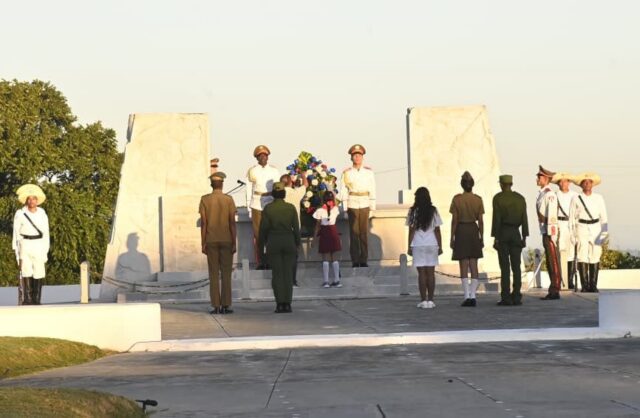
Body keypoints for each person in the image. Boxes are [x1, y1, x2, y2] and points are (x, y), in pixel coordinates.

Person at [259, 182, 301, 313]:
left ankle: (280, 303)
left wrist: (262, 245)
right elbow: (296, 228)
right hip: (288, 241)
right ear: (284, 193)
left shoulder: (268, 209)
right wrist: (297, 243)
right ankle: (287, 303)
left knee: (277, 274)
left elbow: (263, 229)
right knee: (288, 274)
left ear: (273, 194)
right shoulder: (290, 208)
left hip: (274, 241)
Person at [200, 172, 237, 315]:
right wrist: (234, 241)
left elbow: (204, 223)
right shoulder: (228, 200)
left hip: (211, 240)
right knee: (226, 274)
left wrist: (203, 242)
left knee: (214, 274)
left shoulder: (205, 199)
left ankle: (215, 305)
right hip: (226, 239)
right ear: (222, 184)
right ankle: (226, 305)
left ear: (211, 184)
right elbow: (232, 223)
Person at [491, 175, 529, 306]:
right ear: (511, 184)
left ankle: (506, 297)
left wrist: (495, 238)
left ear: (501, 184)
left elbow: (496, 219)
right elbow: (524, 219)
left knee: (505, 267)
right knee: (516, 266)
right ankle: (517, 296)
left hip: (503, 233)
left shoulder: (498, 198)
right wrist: (524, 237)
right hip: (516, 233)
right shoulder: (520, 198)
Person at [450, 171, 485, 307]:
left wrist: (452, 236)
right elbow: (480, 221)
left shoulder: (457, 199)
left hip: (461, 230)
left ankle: (466, 296)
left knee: (463, 264)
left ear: (462, 185)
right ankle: (473, 296)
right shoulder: (478, 199)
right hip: (473, 230)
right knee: (474, 263)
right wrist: (481, 236)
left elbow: (454, 220)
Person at [569, 173, 608, 293]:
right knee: (582, 255)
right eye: (584, 182)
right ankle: (585, 285)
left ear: (592, 184)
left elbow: (604, 217)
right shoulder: (576, 198)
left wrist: (604, 233)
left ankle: (593, 285)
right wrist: (572, 235)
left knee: (595, 255)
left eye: (589, 182)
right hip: (581, 227)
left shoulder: (599, 198)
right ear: (581, 185)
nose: (587, 184)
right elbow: (571, 218)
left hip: (595, 227)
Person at [339, 144, 376, 267]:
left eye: (359, 155)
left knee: (364, 233)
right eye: (355, 155)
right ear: (351, 157)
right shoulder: (347, 173)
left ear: (362, 157)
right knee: (354, 233)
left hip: (365, 202)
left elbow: (373, 189)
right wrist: (345, 208)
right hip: (352, 203)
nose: (357, 157)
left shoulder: (368, 172)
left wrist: (372, 207)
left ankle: (364, 259)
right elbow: (343, 191)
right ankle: (355, 260)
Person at [12, 184, 50, 305]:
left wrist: (45, 250)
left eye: (34, 199)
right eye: (29, 199)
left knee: (39, 270)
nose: (31, 201)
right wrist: (16, 252)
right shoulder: (20, 213)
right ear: (26, 200)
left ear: (37, 201)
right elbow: (16, 233)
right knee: (26, 270)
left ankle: (36, 299)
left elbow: (46, 233)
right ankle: (27, 299)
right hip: (25, 243)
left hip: (38, 243)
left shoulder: (42, 213)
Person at [407, 187, 443, 309]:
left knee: (421, 273)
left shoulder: (413, 211)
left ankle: (423, 300)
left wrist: (409, 246)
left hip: (418, 244)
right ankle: (431, 300)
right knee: (431, 273)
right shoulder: (433, 210)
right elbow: (437, 230)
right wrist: (440, 246)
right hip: (432, 243)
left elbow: (411, 230)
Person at [246, 145, 280, 269]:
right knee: (258, 234)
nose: (263, 158)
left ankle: (271, 260)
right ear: (257, 158)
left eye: (265, 155)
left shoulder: (274, 171)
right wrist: (248, 206)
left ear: (268, 157)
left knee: (271, 233)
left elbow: (278, 187)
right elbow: (248, 188)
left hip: (270, 201)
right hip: (256, 203)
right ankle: (260, 261)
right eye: (260, 156)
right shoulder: (252, 171)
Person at [536, 165, 562, 300]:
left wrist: (552, 235)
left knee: (553, 262)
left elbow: (552, 216)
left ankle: (555, 289)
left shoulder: (550, 195)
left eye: (540, 177)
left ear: (546, 179)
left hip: (549, 232)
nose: (537, 179)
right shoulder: (542, 193)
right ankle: (553, 288)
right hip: (545, 230)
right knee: (550, 261)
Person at [281, 173, 308, 287]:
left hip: (281, 229)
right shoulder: (296, 193)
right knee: (293, 256)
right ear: (290, 182)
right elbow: (305, 185)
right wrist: (303, 175)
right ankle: (292, 280)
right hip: (294, 228)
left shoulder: (280, 194)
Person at [553, 172, 579, 290]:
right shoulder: (555, 195)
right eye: (561, 181)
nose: (563, 183)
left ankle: (570, 280)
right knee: (560, 251)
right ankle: (560, 279)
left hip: (571, 224)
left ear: (569, 182)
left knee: (572, 253)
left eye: (565, 181)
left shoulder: (575, 195)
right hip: (559, 224)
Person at [312, 191, 343, 288]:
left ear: (323, 199)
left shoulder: (320, 210)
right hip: (333, 232)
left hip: (325, 232)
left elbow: (317, 226)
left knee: (325, 258)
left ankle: (326, 281)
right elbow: (335, 203)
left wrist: (314, 238)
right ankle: (337, 280)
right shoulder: (335, 209)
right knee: (335, 258)